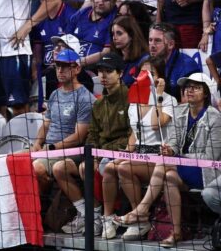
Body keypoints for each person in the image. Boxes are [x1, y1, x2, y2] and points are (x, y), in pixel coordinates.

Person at [116, 73, 221, 247]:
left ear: (206, 93)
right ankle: (176, 233)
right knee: (169, 178)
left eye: (195, 87)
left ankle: (142, 210)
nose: (189, 90)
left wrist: (180, 158)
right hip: (180, 167)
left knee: (166, 164)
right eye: (187, 87)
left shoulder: (215, 118)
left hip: (206, 171)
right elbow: (173, 140)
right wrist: (170, 149)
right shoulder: (181, 111)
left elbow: (211, 157)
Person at [55, 52, 131, 236]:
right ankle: (94, 214)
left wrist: (104, 153)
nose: (103, 76)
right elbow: (92, 135)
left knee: (95, 167)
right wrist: (93, 153)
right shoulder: (98, 104)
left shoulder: (130, 98)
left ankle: (108, 217)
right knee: (73, 167)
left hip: (122, 154)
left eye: (108, 71)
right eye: (100, 71)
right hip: (101, 153)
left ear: (120, 73)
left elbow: (131, 134)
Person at [104, 56, 177, 240]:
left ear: (160, 77)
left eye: (151, 74)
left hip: (160, 157)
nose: (146, 77)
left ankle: (140, 217)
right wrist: (127, 153)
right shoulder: (134, 101)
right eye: (143, 73)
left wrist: (159, 95)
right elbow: (134, 134)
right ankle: (108, 218)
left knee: (123, 167)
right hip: (139, 153)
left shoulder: (169, 100)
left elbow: (155, 124)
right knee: (110, 166)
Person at [31, 48, 97, 196]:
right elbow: (46, 124)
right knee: (11, 161)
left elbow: (79, 137)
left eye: (66, 66)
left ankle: (45, 204)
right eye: (58, 66)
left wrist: (52, 148)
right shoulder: (55, 94)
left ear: (77, 68)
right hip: (48, 147)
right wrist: (37, 143)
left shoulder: (84, 97)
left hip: (70, 151)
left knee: (36, 168)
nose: (60, 70)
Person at [66, 0, 118, 67]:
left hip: (96, 69)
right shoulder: (81, 14)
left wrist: (77, 63)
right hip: (71, 65)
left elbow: (106, 52)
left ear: (114, 1)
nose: (100, 2)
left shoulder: (115, 20)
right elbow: (64, 40)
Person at [148, 22, 202, 100]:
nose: (152, 45)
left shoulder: (186, 66)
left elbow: (188, 103)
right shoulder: (150, 62)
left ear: (171, 44)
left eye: (157, 41)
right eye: (150, 40)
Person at [109, 15, 149, 86]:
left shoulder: (145, 60)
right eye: (113, 34)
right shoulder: (114, 59)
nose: (114, 38)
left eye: (119, 33)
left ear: (131, 35)